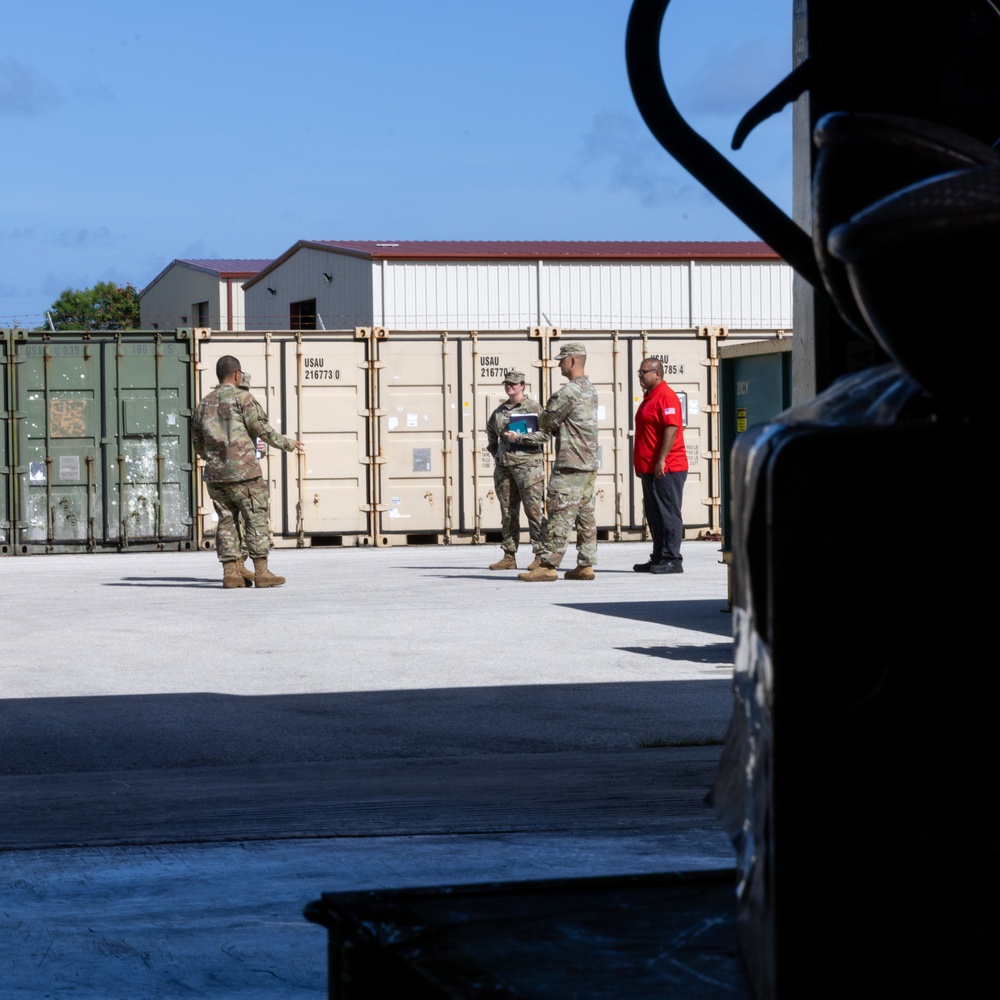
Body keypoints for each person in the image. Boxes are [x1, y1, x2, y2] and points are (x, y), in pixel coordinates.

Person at [191, 355, 304, 588]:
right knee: (256, 518)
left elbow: (197, 441)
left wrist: (215, 460)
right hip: (245, 474)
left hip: (216, 476)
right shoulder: (244, 398)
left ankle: (230, 574)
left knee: (226, 522)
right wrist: (287, 443)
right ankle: (261, 572)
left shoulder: (204, 404)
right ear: (237, 375)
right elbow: (260, 428)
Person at [504, 342, 598, 581]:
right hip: (588, 462)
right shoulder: (590, 389)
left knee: (559, 513)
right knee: (585, 514)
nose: (559, 364)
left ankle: (548, 565)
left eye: (562, 360)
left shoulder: (569, 392)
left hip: (570, 463)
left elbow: (546, 422)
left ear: (573, 361)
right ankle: (585, 564)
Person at [485, 368, 545, 571]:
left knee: (534, 511)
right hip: (505, 468)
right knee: (508, 513)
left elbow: (545, 436)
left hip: (529, 468)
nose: (510, 386)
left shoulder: (533, 408)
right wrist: (496, 454)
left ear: (522, 386)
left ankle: (540, 555)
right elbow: (491, 435)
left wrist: (519, 438)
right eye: (507, 383)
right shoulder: (500, 411)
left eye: (514, 383)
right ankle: (509, 555)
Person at [632, 357, 688, 574]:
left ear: (657, 373)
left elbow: (672, 428)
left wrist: (662, 459)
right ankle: (658, 557)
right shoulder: (649, 398)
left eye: (643, 372)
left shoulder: (666, 396)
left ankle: (673, 558)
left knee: (669, 513)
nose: (640, 376)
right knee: (654, 514)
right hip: (649, 469)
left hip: (668, 468)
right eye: (639, 372)